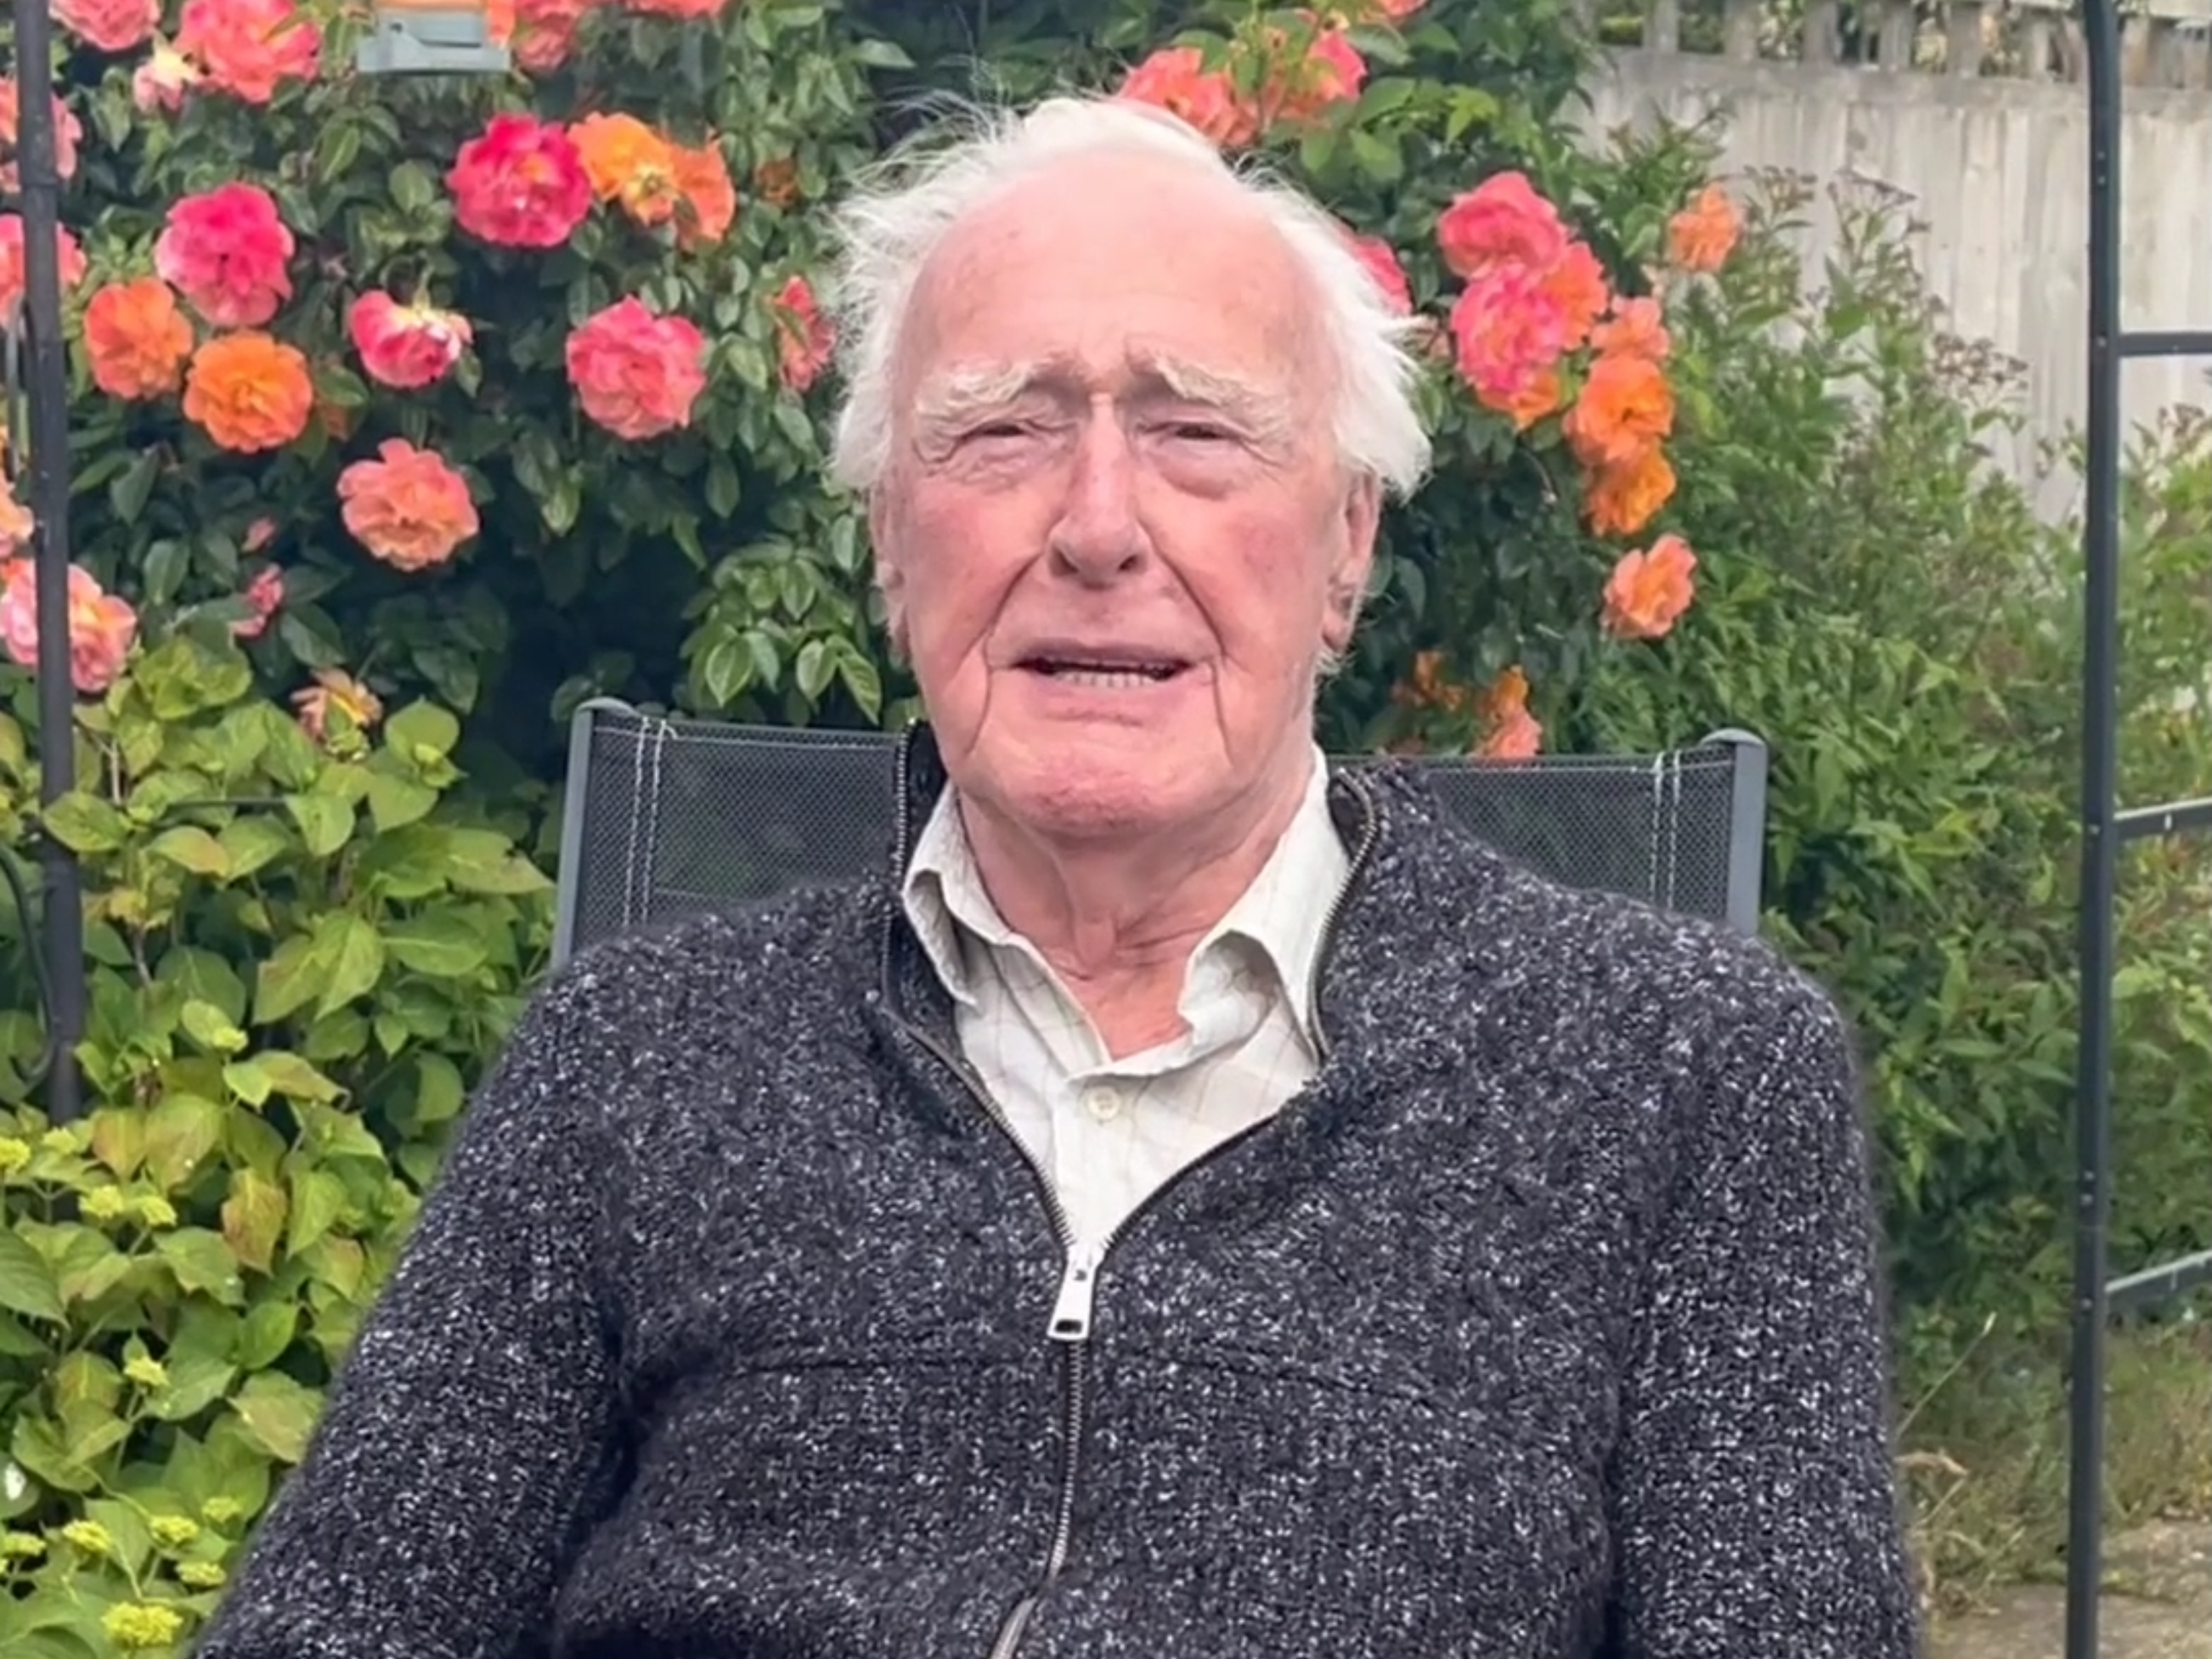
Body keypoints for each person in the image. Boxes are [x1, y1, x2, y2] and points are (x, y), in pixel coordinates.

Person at [193, 97, 1920, 1659]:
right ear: (889, 536)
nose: (1097, 526)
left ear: (1344, 547)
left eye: (1197, 436)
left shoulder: (1687, 1073)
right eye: (1004, 433)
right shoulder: (631, 1056)